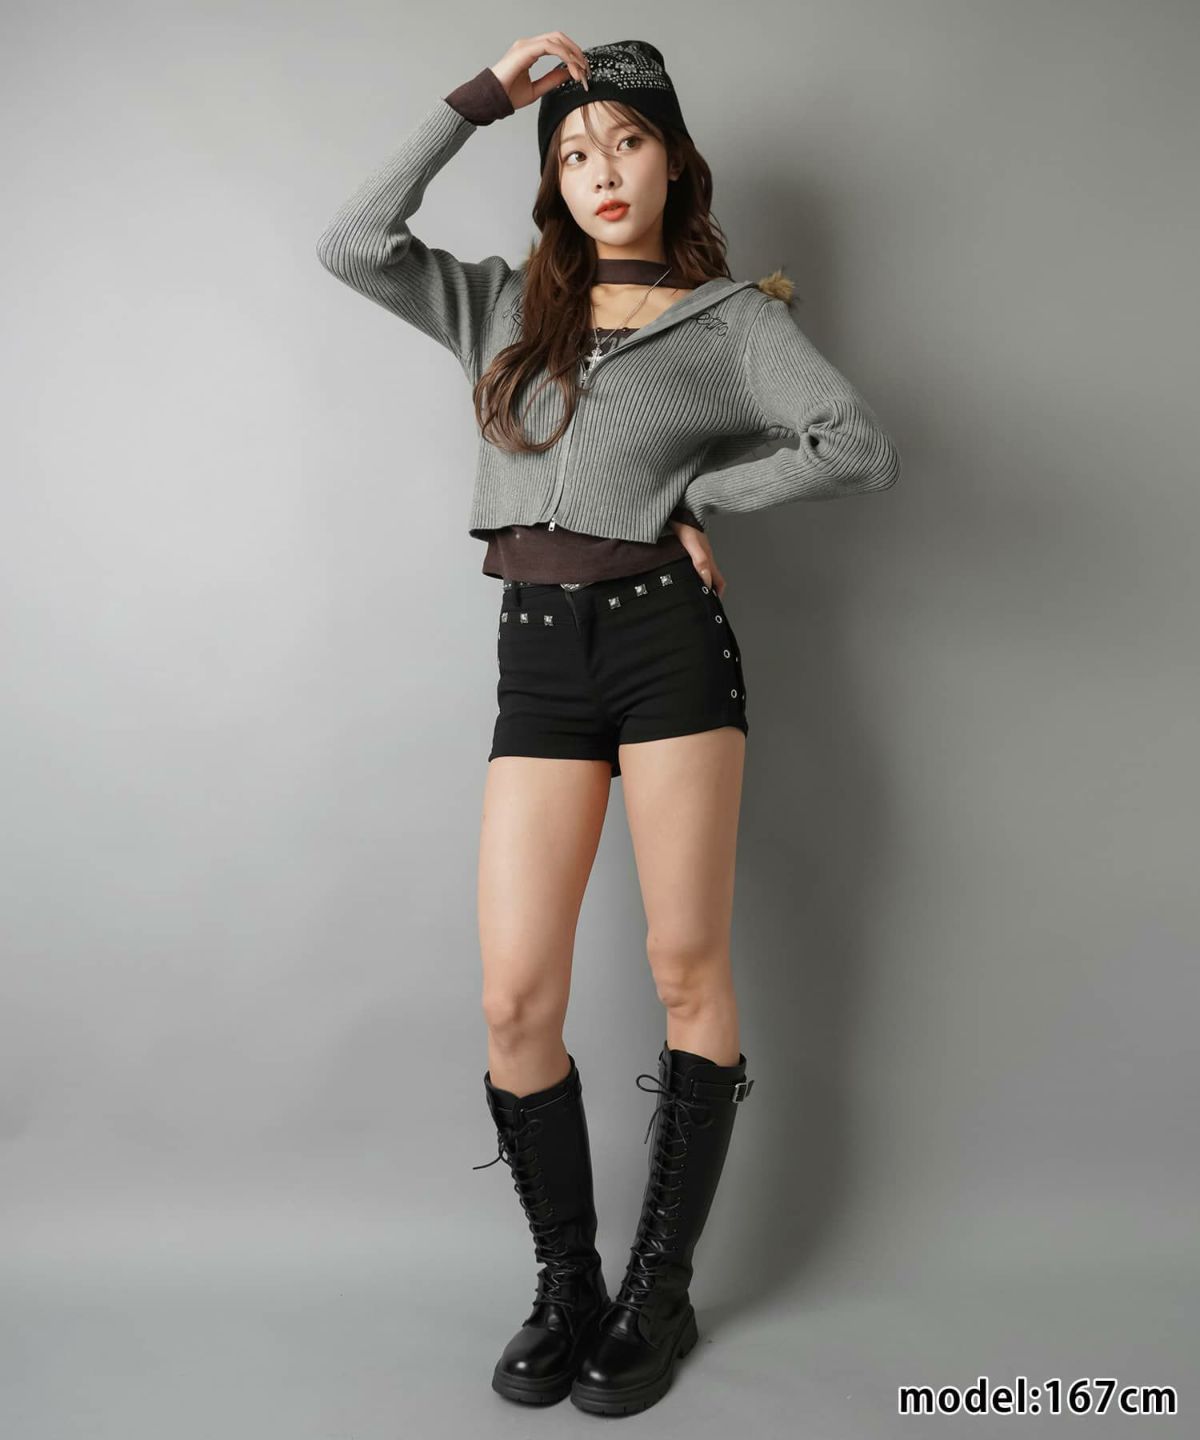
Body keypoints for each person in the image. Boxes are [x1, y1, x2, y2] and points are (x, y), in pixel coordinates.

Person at [316, 33, 901, 1417]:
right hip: (538, 659)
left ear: (673, 160)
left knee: (686, 966)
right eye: (575, 153)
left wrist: (702, 501)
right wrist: (484, 100)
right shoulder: (500, 308)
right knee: (515, 997)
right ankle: (568, 1280)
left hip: (664, 649)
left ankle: (660, 1290)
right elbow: (352, 243)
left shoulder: (732, 322)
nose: (602, 171)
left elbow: (857, 445)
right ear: (554, 181)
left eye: (627, 142)